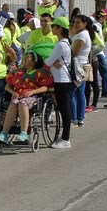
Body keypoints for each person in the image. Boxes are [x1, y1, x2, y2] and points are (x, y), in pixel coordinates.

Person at [0, 51, 53, 144]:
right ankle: (4, 133)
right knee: (13, 103)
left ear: (34, 60)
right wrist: (13, 92)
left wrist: (32, 92)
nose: (24, 59)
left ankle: (24, 133)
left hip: (33, 97)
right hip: (19, 96)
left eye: (27, 57)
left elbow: (45, 87)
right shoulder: (18, 73)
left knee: (22, 103)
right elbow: (7, 86)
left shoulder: (39, 73)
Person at [44, 16, 73, 149]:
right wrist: (52, 61)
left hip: (61, 80)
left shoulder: (61, 44)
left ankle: (66, 138)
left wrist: (50, 61)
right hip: (62, 79)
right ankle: (64, 137)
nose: (51, 28)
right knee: (63, 108)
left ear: (59, 28)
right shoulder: (64, 42)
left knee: (64, 109)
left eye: (53, 26)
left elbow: (48, 61)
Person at [68, 15, 92, 127]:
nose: (76, 25)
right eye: (75, 22)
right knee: (79, 93)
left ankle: (75, 117)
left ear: (84, 23)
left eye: (78, 23)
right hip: (81, 66)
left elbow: (74, 52)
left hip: (78, 67)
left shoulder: (82, 35)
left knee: (71, 93)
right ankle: (80, 118)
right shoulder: (81, 34)